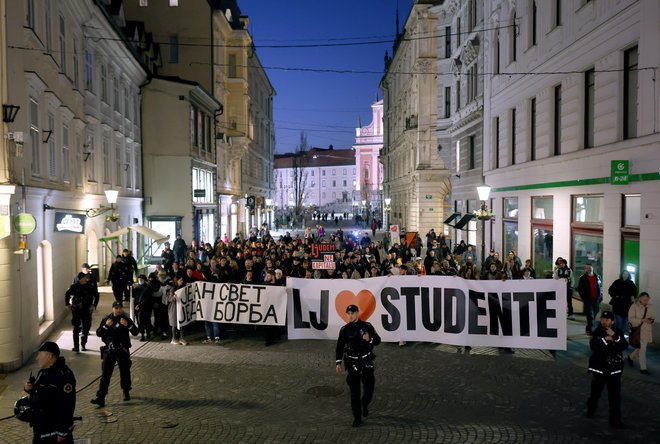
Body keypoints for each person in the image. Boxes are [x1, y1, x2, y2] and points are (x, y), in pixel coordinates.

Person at [335, 304, 381, 427]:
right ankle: (357, 418)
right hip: (352, 364)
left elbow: (378, 340)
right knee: (354, 393)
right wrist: (338, 362)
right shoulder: (344, 330)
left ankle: (365, 403)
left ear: (357, 313)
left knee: (369, 390)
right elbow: (339, 346)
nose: (350, 316)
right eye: (348, 313)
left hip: (366, 362)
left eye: (352, 313)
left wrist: (369, 339)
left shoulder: (367, 326)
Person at [22, 341, 76, 443]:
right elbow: (42, 393)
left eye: (40, 355)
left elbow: (67, 405)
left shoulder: (64, 375)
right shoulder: (43, 372)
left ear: (49, 356)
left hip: (54, 431)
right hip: (41, 427)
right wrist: (28, 389)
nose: (37, 358)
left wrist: (63, 431)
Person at [91, 301, 139, 407]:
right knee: (105, 374)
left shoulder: (126, 319)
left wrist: (128, 325)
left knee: (125, 372)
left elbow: (135, 332)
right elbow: (99, 333)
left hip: (122, 350)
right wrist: (106, 326)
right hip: (110, 351)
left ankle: (126, 391)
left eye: (120, 308)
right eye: (116, 308)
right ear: (112, 308)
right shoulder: (107, 319)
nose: (118, 310)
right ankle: (101, 397)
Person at [586, 311, 628, 428]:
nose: (604, 321)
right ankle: (591, 408)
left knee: (615, 397)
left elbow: (624, 345)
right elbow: (594, 347)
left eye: (607, 319)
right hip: (600, 369)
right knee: (595, 393)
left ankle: (615, 420)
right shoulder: (597, 332)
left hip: (614, 370)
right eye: (603, 319)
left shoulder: (618, 332)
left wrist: (614, 337)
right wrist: (605, 339)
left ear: (612, 321)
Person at [65, 272, 99, 352]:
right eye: (84, 278)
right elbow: (67, 294)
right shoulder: (74, 286)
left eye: (86, 278)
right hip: (76, 310)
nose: (86, 279)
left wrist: (94, 305)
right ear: (80, 279)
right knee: (76, 328)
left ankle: (83, 344)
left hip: (86, 309)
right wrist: (67, 304)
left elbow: (96, 295)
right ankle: (76, 346)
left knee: (85, 327)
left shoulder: (89, 287)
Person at [627, 292, 655, 374]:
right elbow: (630, 318)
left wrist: (651, 320)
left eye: (647, 299)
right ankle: (643, 368)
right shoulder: (634, 306)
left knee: (640, 348)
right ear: (640, 299)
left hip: (647, 330)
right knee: (643, 349)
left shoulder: (650, 306)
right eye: (644, 300)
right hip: (637, 330)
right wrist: (641, 320)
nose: (646, 301)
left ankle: (630, 357)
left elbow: (653, 317)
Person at [607, 270, 637, 336]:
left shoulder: (631, 283)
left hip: (627, 305)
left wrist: (633, 300)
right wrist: (615, 296)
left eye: (627, 274)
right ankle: (617, 336)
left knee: (625, 322)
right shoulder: (617, 282)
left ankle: (622, 336)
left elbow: (633, 294)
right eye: (624, 274)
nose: (625, 275)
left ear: (629, 275)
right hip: (618, 305)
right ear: (622, 274)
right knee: (618, 322)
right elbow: (610, 290)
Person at [577, 263, 602, 334]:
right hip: (587, 299)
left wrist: (600, 296)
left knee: (596, 312)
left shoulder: (597, 277)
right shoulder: (583, 278)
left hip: (596, 299)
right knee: (589, 314)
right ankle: (591, 328)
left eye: (590, 268)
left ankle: (589, 327)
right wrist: (583, 297)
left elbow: (600, 287)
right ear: (585, 269)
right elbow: (580, 288)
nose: (588, 269)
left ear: (592, 268)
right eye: (587, 268)